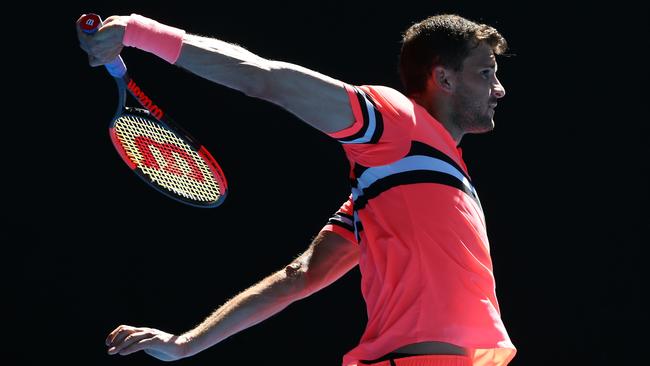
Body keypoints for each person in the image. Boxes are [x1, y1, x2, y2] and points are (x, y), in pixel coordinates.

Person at [77, 12, 516, 366]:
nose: (499, 89)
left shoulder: (411, 180)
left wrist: (186, 344)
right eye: (485, 72)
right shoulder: (398, 121)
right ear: (444, 78)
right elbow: (268, 79)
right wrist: (140, 32)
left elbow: (299, 277)